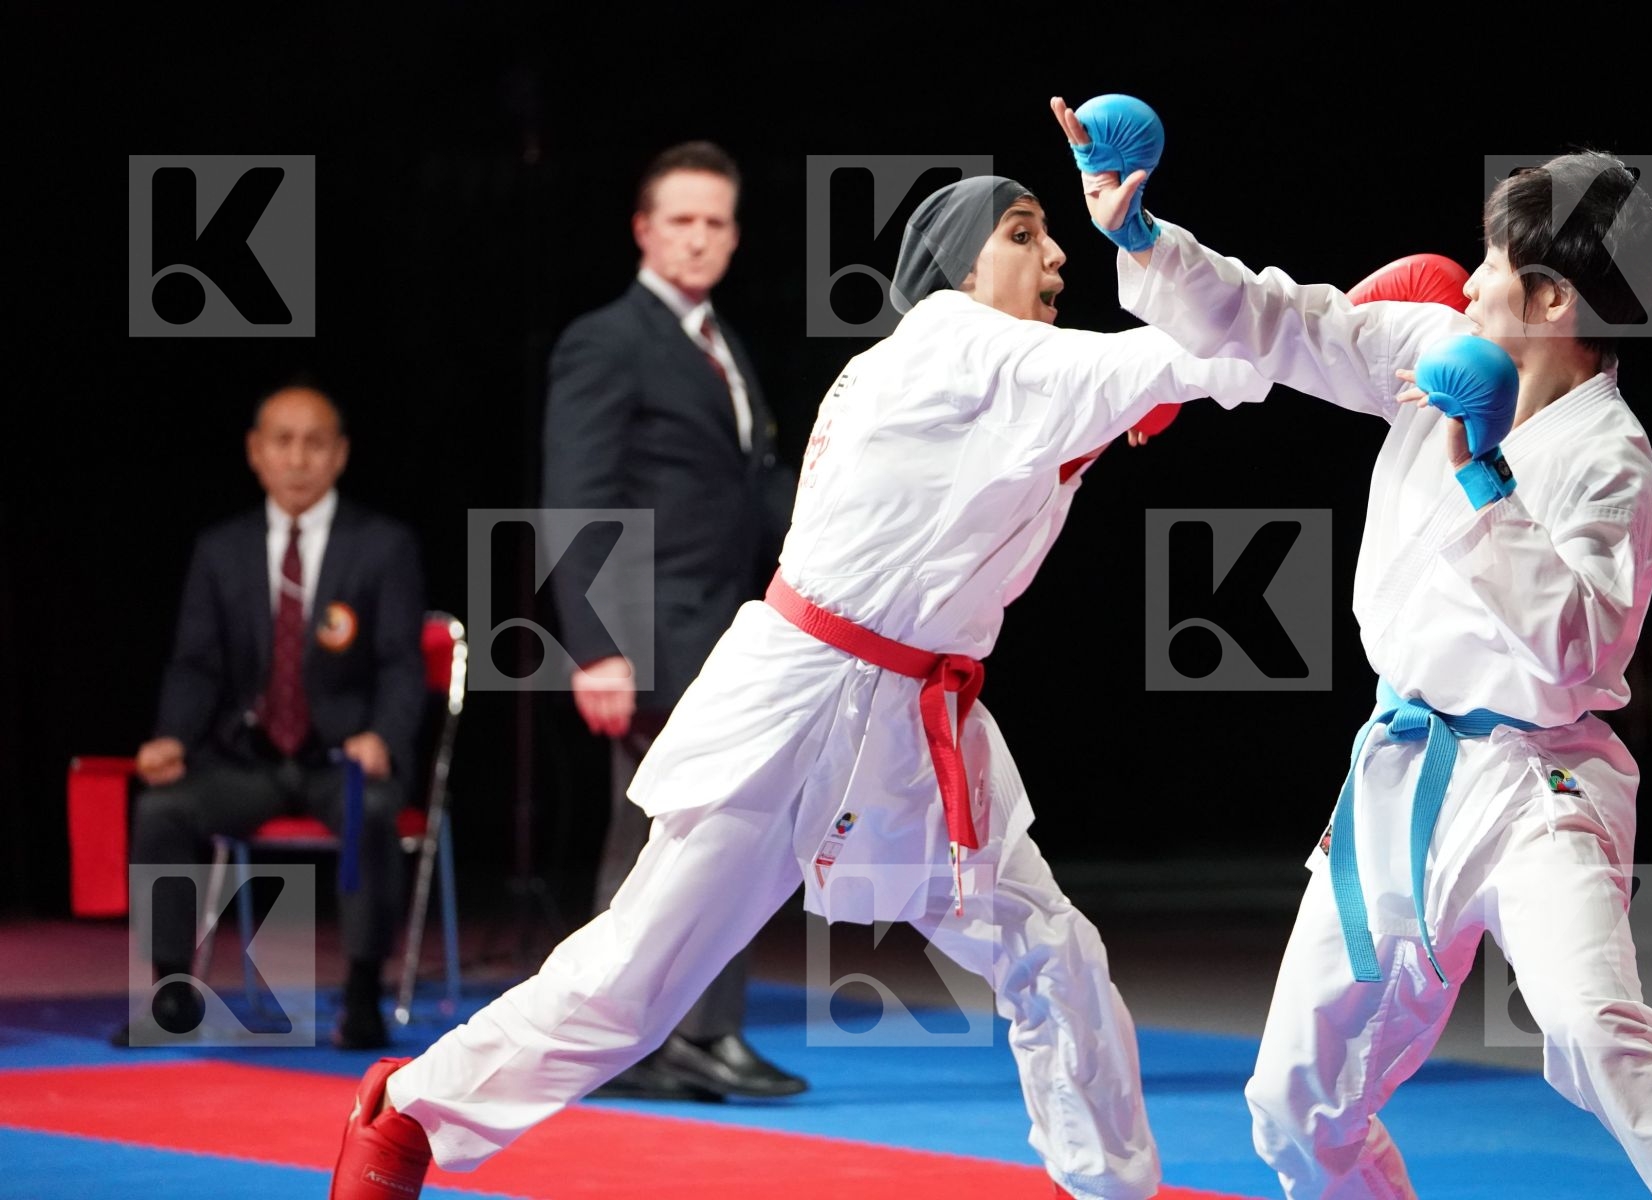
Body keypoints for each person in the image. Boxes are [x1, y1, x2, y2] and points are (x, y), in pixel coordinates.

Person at [328, 174, 1270, 1200]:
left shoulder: (971, 377)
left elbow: (1055, 429)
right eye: (1022, 234)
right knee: (629, 986)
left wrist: (1170, 379)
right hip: (808, 697)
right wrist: (1367, 328)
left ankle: (1106, 1185)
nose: (1055, 258)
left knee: (1053, 950)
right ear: (956, 269)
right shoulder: (955, 340)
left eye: (1053, 237)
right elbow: (1171, 355)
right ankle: (405, 1117)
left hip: (917, 718)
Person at [1052, 95, 1652, 1200]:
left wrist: (1483, 474)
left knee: (1596, 1028)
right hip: (1398, 772)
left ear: (1551, 300)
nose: (1473, 278)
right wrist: (1144, 238)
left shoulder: (1611, 459)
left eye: (1498, 263)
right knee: (1291, 1105)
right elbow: (1280, 321)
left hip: (1538, 786)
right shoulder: (1436, 344)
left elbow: (1573, 659)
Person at [541, 140, 805, 1101]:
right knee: (661, 834)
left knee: (719, 832)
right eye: (681, 220)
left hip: (725, 628)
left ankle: (691, 1033)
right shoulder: (607, 340)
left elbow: (752, 486)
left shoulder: (721, 341)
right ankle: (631, 1039)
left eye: (717, 222)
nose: (700, 238)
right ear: (644, 229)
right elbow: (576, 500)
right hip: (650, 632)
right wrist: (596, 647)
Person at [116, 382, 425, 1052]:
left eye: (315, 443)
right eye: (282, 442)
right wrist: (172, 736)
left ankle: (365, 992)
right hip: (246, 760)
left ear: (339, 455)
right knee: (160, 810)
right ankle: (172, 991)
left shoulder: (382, 546)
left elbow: (402, 664)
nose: (298, 458)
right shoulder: (219, 549)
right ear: (255, 453)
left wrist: (384, 739)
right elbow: (194, 664)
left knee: (373, 811)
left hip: (340, 758)